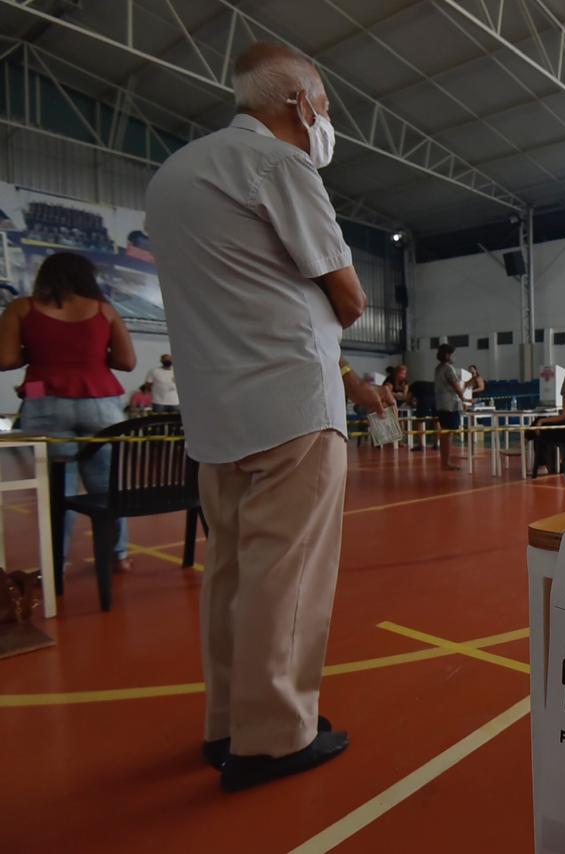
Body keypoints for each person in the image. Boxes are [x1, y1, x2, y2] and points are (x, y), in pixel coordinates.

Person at [145, 42, 394, 791]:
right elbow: (349, 296)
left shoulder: (174, 177)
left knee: (230, 575)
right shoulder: (282, 167)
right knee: (285, 578)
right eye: (322, 103)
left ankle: (227, 723)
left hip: (215, 408)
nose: (324, 118)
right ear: (298, 102)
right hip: (291, 405)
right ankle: (275, 734)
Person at [0, 252, 136, 575]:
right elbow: (127, 362)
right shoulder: (104, 310)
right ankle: (119, 556)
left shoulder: (22, 308)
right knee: (107, 488)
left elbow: (5, 359)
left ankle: (55, 563)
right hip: (101, 402)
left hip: (44, 400)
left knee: (58, 489)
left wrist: (39, 354)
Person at [434, 344, 466, 470]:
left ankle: (444, 462)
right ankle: (446, 463)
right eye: (451, 354)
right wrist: (464, 399)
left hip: (441, 404)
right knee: (448, 434)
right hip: (450, 405)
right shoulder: (449, 368)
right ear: (447, 355)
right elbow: (456, 387)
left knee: (445, 434)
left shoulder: (438, 368)